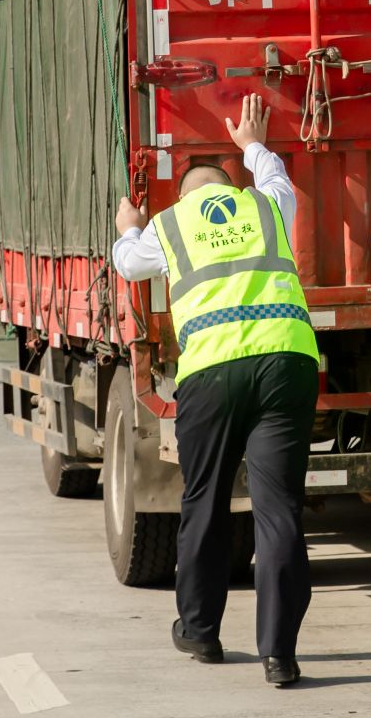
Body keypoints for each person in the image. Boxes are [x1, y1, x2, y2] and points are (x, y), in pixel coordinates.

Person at [111, 95, 319, 688]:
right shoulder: (266, 205)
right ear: (229, 187)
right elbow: (275, 175)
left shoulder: (171, 224)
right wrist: (251, 142)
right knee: (279, 511)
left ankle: (200, 630)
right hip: (285, 362)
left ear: (185, 197)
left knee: (204, 499)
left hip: (212, 372)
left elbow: (128, 265)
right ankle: (280, 655)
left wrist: (129, 227)